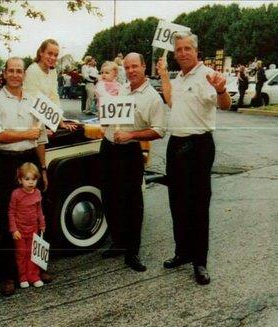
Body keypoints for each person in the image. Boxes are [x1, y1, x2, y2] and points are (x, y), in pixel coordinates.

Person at [156, 31, 231, 285]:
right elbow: (170, 100)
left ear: (196, 50)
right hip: (176, 143)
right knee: (177, 202)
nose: (183, 53)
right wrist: (165, 75)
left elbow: (225, 104)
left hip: (198, 145)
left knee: (198, 205)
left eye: (187, 48)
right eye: (179, 49)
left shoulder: (207, 75)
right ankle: (183, 252)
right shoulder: (179, 77)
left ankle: (200, 261)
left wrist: (222, 91)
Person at [99, 53, 167, 272]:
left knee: (132, 204)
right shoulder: (121, 89)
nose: (130, 71)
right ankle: (118, 242)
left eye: (134, 66)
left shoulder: (152, 97)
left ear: (144, 67)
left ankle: (132, 252)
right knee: (109, 198)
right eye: (127, 67)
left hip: (129, 152)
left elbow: (158, 130)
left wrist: (131, 136)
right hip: (108, 148)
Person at [0, 57, 47, 296]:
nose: (15, 75)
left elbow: (40, 137)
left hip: (29, 159)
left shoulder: (33, 100)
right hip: (4, 163)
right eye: (10, 71)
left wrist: (42, 168)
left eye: (19, 71)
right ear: (4, 74)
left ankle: (39, 268)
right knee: (6, 219)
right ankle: (8, 275)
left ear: (24, 74)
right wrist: (26, 133)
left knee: (37, 215)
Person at [24, 38, 77, 135]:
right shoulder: (32, 70)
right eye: (49, 53)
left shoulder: (53, 71)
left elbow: (54, 97)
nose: (53, 58)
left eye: (55, 55)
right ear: (41, 52)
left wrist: (60, 122)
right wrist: (43, 127)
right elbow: (31, 101)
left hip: (45, 117)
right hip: (30, 120)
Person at [9, 162, 46, 288]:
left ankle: (33, 276)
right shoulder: (16, 194)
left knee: (33, 253)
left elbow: (39, 210)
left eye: (34, 179)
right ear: (20, 180)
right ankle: (22, 277)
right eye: (27, 179)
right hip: (20, 231)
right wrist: (14, 230)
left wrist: (42, 224)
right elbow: (11, 212)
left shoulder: (37, 193)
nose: (31, 182)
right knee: (21, 254)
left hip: (33, 229)